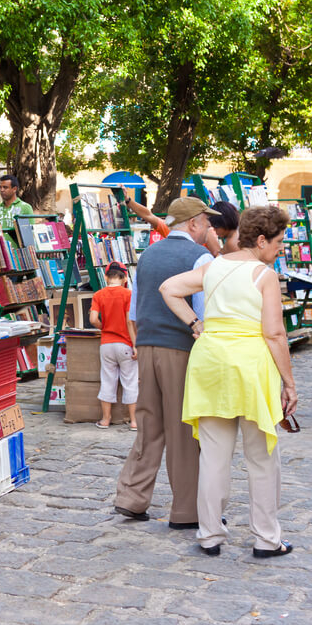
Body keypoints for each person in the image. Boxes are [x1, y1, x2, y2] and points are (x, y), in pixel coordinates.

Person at [160, 205, 298, 558]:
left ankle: (209, 534)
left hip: (210, 362)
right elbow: (274, 334)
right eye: (279, 242)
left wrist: (195, 323)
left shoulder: (214, 265)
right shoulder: (264, 275)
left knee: (213, 457)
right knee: (261, 458)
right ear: (262, 240)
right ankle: (266, 538)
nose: (280, 249)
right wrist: (289, 382)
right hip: (250, 365)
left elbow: (169, 288)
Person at [114, 197, 220, 527]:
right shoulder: (199, 256)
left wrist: (139, 341)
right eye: (206, 222)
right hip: (181, 347)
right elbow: (202, 312)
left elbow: (134, 310)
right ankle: (187, 511)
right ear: (193, 223)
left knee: (148, 422)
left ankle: (131, 497)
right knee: (183, 428)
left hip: (147, 345)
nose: (208, 229)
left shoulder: (148, 255)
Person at [90, 262, 138, 430]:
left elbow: (93, 319)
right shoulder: (128, 294)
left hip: (106, 345)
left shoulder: (98, 295)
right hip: (125, 344)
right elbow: (129, 322)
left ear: (105, 277)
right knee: (130, 381)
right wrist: (135, 345)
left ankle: (105, 420)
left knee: (107, 381)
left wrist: (103, 327)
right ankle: (134, 421)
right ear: (124, 279)